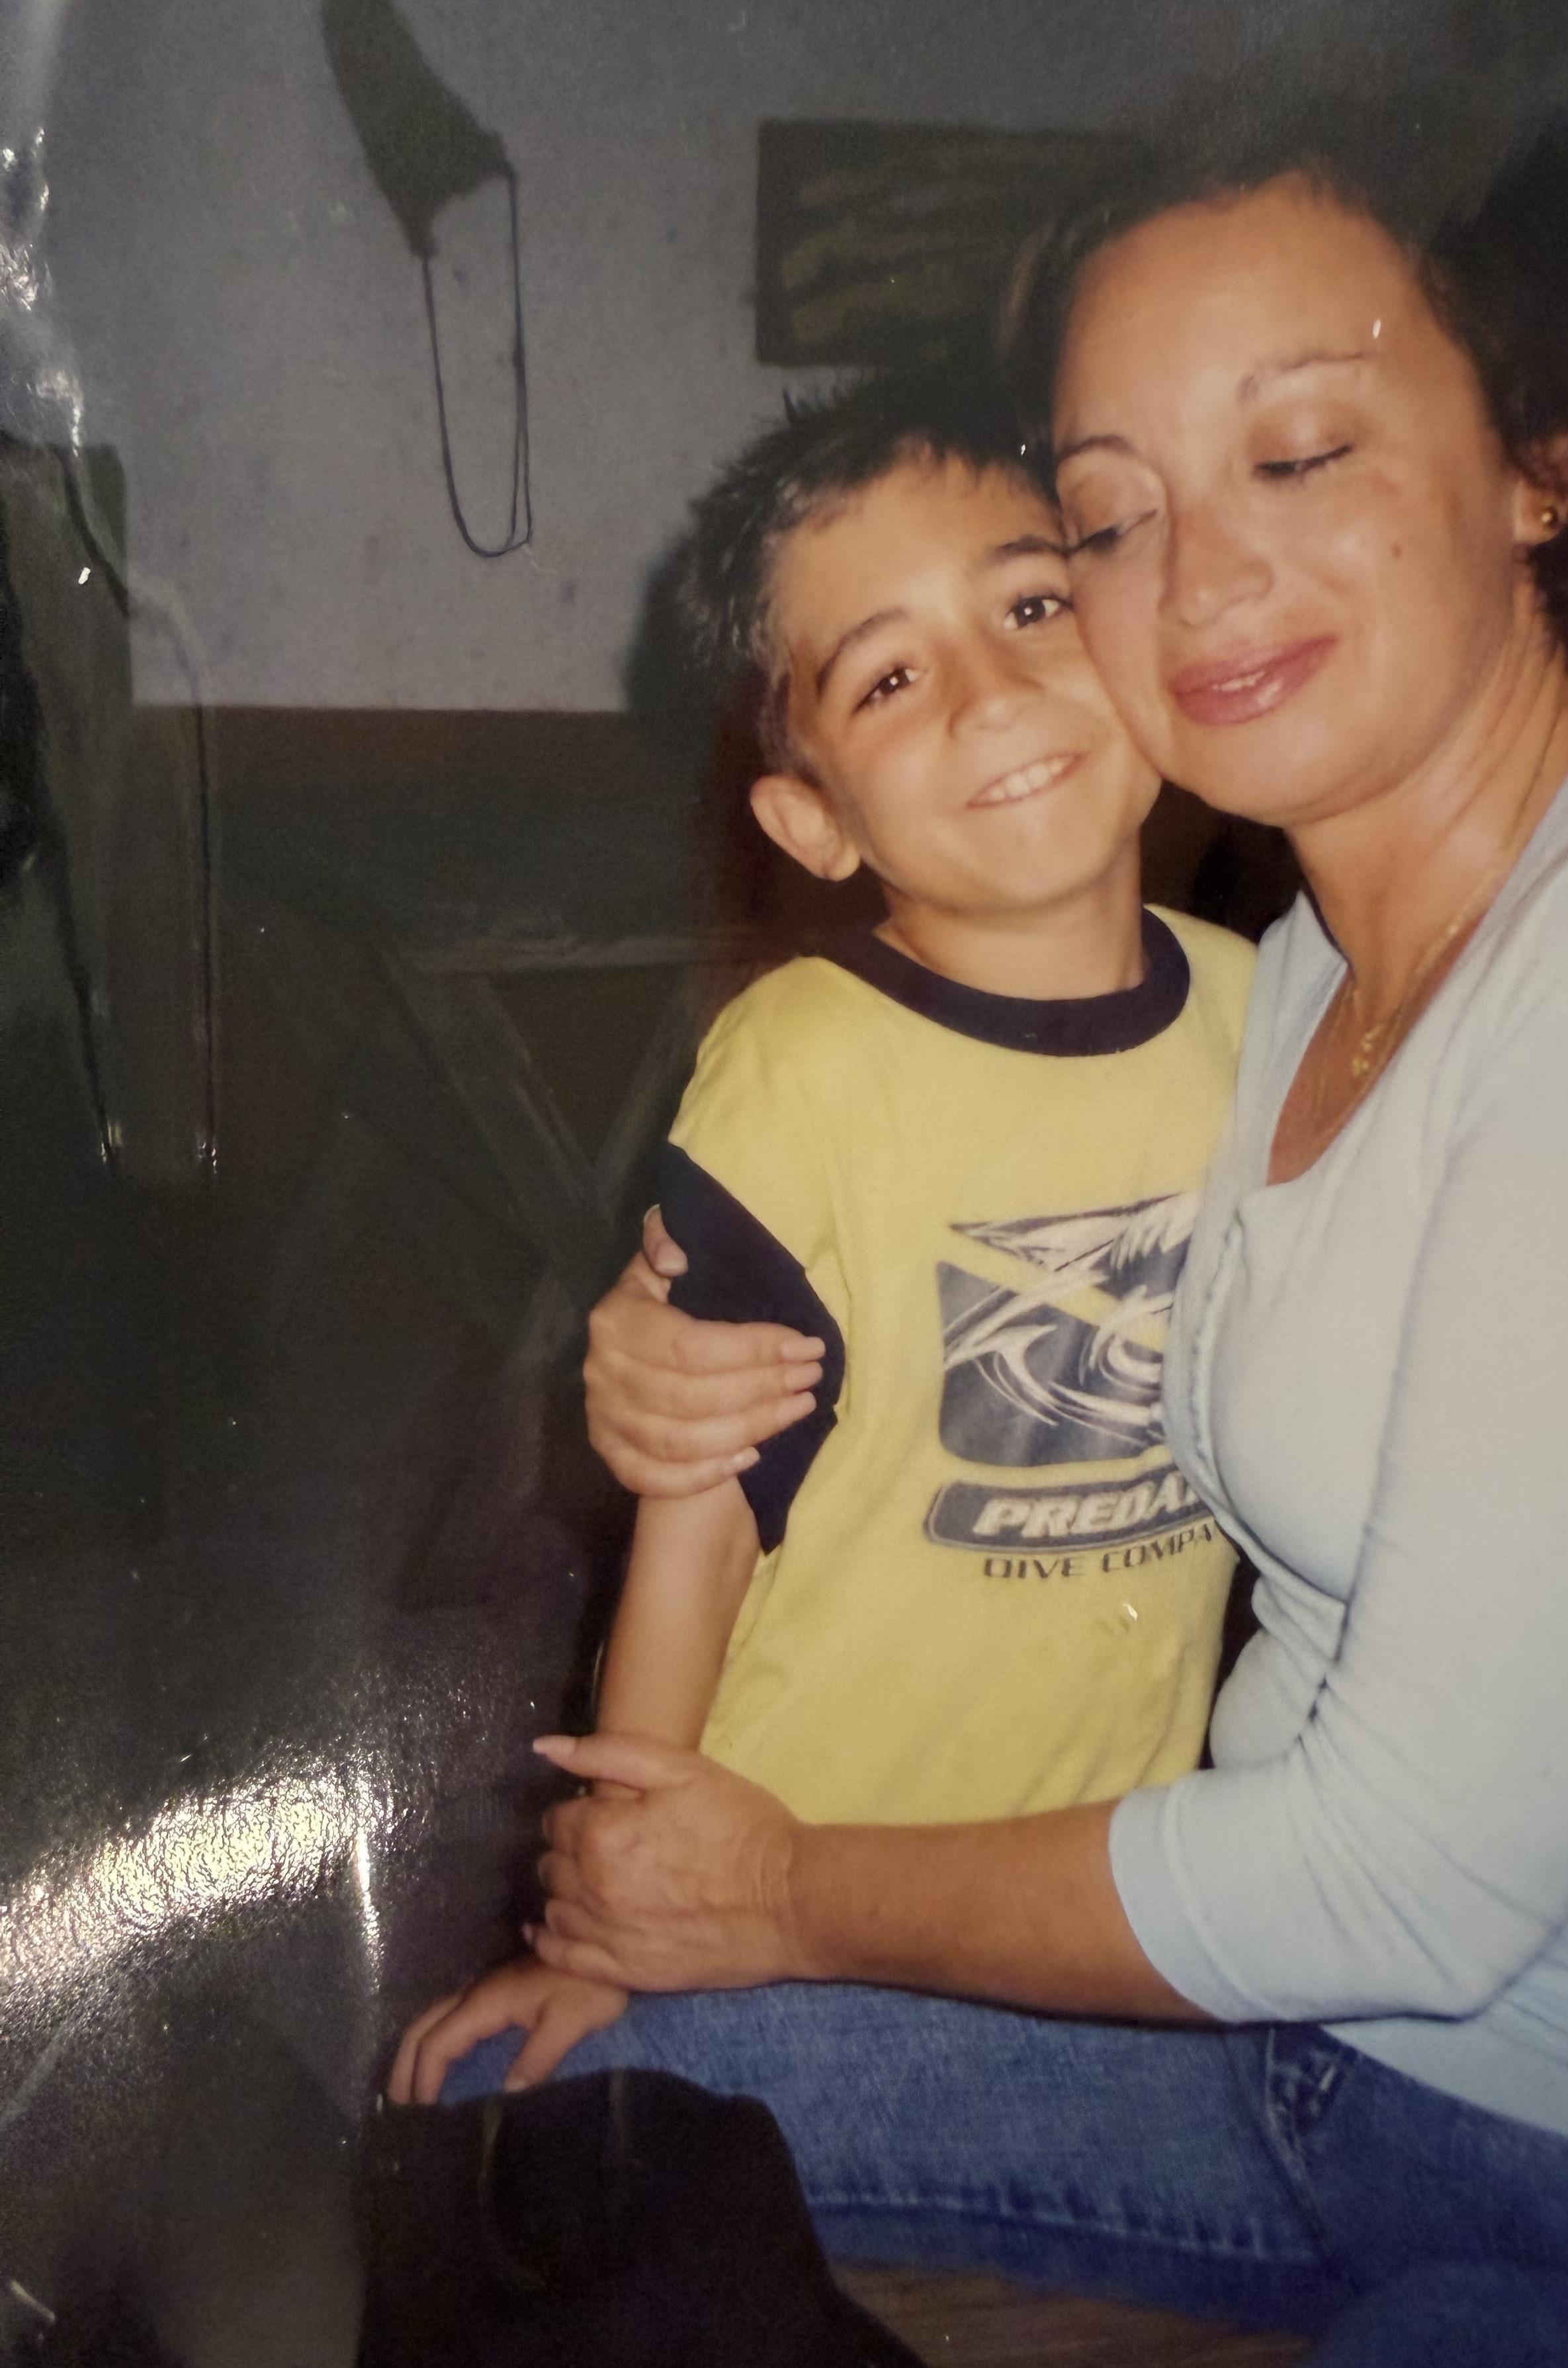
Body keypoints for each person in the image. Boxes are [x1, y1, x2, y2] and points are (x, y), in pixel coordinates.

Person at [451, 105, 1568, 2368]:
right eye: (1112, 512)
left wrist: (769, 1905)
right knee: (522, 2120)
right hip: (1298, 2087)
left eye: (1301, 451)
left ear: (1531, 470)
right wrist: (660, 1363)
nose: (1201, 573)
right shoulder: (1286, 978)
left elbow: (1408, 1883)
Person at [390, 364, 1252, 2103]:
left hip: (1096, 1906)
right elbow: (695, 1506)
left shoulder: (1272, 1010)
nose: (994, 691)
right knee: (514, 2120)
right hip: (786, 1857)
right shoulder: (801, 1066)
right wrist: (604, 1927)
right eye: (889, 676)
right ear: (819, 823)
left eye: (1030, 605)